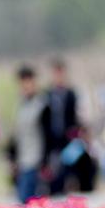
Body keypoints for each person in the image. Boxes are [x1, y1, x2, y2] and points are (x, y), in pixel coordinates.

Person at [40, 58, 79, 195]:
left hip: (67, 138)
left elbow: (75, 116)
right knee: (52, 170)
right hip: (51, 139)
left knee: (66, 170)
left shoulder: (71, 94)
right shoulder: (47, 94)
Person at [14, 65, 45, 202]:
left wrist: (46, 161)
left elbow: (48, 135)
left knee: (29, 200)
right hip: (23, 159)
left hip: (36, 159)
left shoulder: (42, 105)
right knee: (23, 199)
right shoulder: (21, 105)